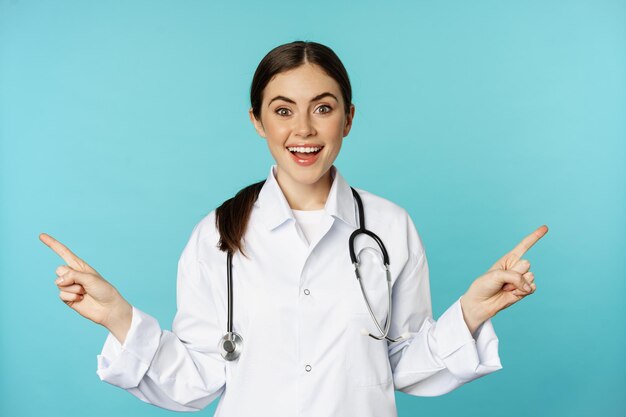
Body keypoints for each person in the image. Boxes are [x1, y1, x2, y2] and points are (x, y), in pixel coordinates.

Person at [40, 40, 548, 416]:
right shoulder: (216, 234)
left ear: (347, 119)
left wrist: (473, 311)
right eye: (283, 111)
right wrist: (119, 318)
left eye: (322, 109)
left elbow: (401, 364)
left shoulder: (391, 226)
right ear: (258, 121)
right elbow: (195, 380)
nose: (303, 130)